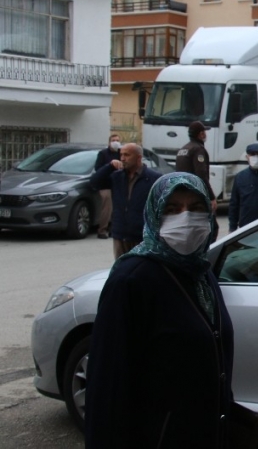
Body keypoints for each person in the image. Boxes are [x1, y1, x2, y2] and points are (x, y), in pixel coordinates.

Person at [85, 172, 234, 448]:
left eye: (196, 208)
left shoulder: (201, 272)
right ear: (154, 214)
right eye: (172, 209)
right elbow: (108, 388)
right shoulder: (131, 280)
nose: (186, 218)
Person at [90, 143, 162, 259]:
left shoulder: (153, 178)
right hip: (120, 234)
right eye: (121, 155)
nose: (122, 158)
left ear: (138, 157)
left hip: (142, 236)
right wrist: (109, 166)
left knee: (141, 271)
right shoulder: (117, 177)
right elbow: (94, 183)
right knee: (121, 272)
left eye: (127, 155)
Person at [176, 121, 218, 238]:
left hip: (183, 194)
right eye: (204, 131)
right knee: (211, 229)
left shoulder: (183, 149)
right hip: (196, 195)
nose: (205, 134)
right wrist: (211, 196)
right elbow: (201, 174)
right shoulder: (198, 149)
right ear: (201, 134)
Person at [229, 143, 258, 232]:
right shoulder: (240, 177)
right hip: (247, 227)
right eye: (253, 154)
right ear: (247, 157)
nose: (256, 157)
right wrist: (232, 227)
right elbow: (234, 204)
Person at [94, 133, 121, 239]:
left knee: (117, 208)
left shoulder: (121, 153)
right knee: (107, 207)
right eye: (113, 140)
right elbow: (98, 169)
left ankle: (113, 229)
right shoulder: (103, 154)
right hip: (105, 184)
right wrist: (109, 167)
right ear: (109, 142)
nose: (116, 142)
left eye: (117, 140)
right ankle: (102, 230)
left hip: (118, 185)